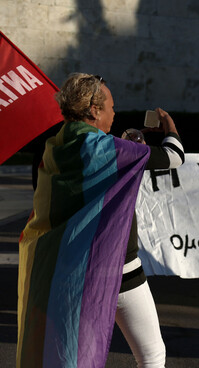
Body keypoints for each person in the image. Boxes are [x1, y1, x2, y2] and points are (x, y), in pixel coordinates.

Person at [17, 73, 184, 368]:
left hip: (65, 270)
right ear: (94, 110)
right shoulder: (107, 151)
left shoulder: (54, 146)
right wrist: (170, 128)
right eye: (111, 107)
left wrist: (122, 146)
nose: (114, 113)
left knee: (71, 356)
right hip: (115, 268)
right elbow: (174, 157)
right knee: (152, 355)